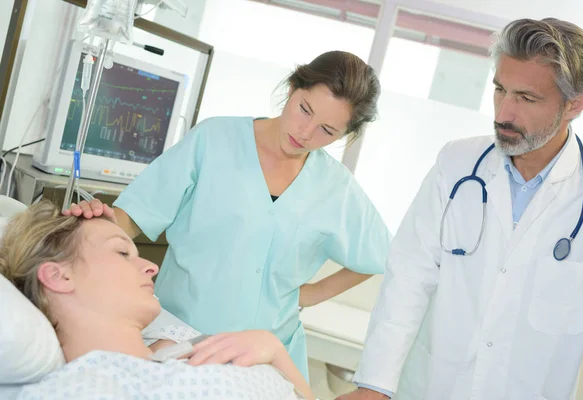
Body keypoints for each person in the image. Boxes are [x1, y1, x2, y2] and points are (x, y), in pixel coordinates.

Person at [63, 50, 392, 380]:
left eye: (327, 130)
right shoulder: (213, 140)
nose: (306, 132)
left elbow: (380, 257)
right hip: (179, 341)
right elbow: (135, 214)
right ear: (292, 87)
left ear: (345, 135)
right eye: (304, 109)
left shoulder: (337, 188)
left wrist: (311, 294)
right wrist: (95, 227)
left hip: (268, 359)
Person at [337, 17, 583, 400]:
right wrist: (374, 384)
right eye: (499, 90)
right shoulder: (457, 163)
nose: (503, 113)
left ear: (575, 104)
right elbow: (408, 278)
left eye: (526, 98)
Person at [0, 200, 315, 399]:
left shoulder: (172, 351)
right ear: (59, 277)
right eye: (123, 253)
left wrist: (273, 350)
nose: (151, 267)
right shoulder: (82, 388)